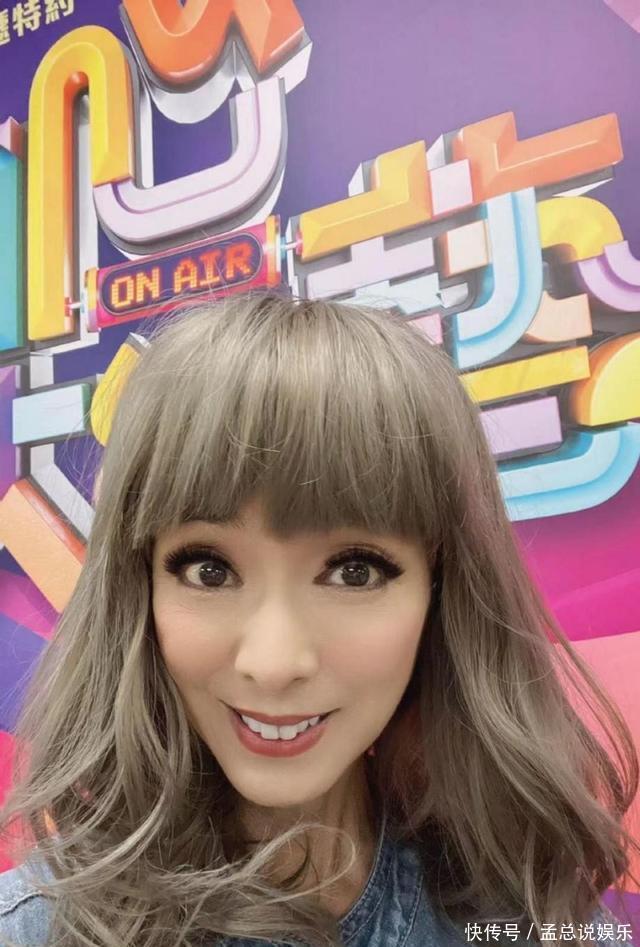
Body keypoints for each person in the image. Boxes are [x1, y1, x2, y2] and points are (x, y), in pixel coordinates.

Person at [0, 293, 637, 947]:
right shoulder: (36, 931)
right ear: (140, 588)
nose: (273, 664)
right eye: (209, 570)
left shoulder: (532, 922)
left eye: (354, 572)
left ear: (440, 591)